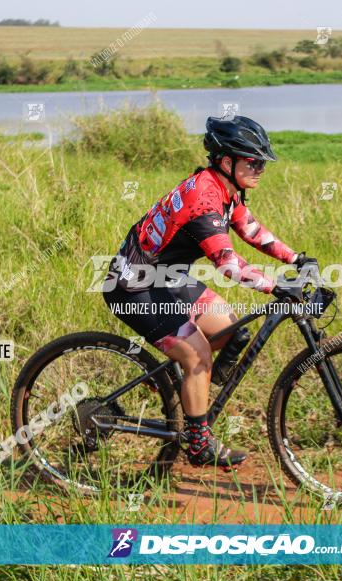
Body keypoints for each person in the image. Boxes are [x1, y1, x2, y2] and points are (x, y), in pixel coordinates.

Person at [101, 115, 315, 470]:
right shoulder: (204, 198)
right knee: (199, 356)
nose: (260, 168)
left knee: (230, 329)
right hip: (132, 284)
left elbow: (250, 229)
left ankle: (179, 386)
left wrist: (296, 258)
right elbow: (228, 265)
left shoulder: (222, 188)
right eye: (254, 161)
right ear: (226, 161)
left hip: (164, 276)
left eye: (262, 161)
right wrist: (276, 286)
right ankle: (198, 444)